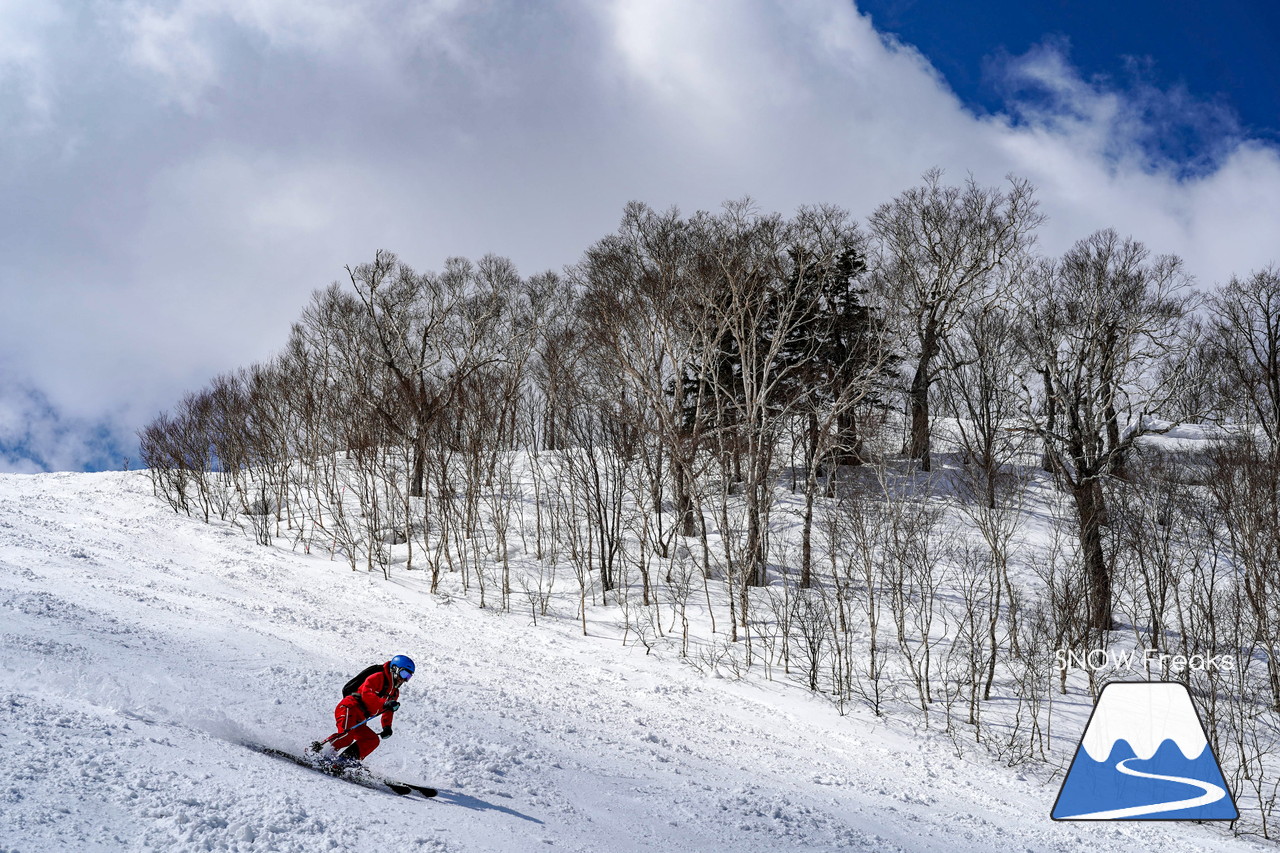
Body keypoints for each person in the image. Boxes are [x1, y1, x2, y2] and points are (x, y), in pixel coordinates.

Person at [310, 654, 415, 764]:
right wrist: (385, 703)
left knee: (372, 740)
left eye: (408, 677)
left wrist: (387, 727)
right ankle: (317, 753)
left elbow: (388, 711)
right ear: (394, 669)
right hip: (349, 708)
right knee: (346, 737)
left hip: (361, 718)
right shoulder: (378, 677)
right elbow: (367, 694)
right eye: (403, 673)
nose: (403, 679)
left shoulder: (394, 692)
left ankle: (344, 762)